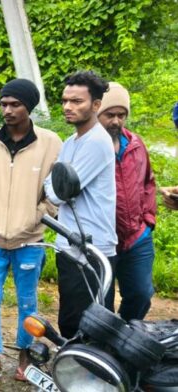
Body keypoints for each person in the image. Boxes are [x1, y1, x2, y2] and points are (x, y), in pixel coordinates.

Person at [0, 78, 62, 382]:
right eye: (3, 104)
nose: (7, 110)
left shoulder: (50, 143)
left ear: (28, 107)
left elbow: (55, 193)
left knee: (28, 301)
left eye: (14, 104)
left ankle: (25, 357)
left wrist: (37, 217)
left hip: (30, 240)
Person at [44, 71, 117, 338]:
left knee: (92, 325)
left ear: (96, 105)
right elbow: (52, 184)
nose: (67, 107)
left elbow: (54, 193)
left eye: (77, 101)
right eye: (65, 100)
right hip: (69, 243)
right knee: (70, 319)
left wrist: (51, 184)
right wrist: (52, 183)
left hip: (91, 248)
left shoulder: (97, 141)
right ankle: (73, 372)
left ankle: (91, 376)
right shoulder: (71, 142)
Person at [98, 82, 157, 321]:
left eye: (121, 115)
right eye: (109, 115)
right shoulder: (89, 146)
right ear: (96, 112)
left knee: (142, 294)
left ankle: (126, 335)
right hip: (102, 239)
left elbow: (148, 182)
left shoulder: (135, 144)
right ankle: (104, 348)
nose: (116, 121)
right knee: (102, 300)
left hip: (137, 236)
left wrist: (148, 220)